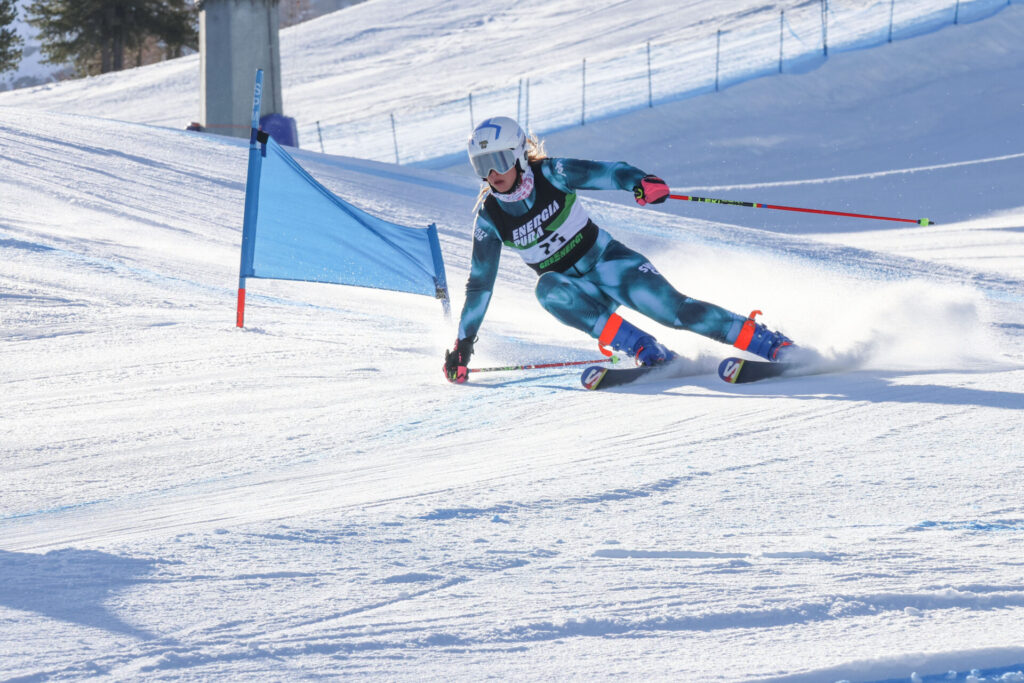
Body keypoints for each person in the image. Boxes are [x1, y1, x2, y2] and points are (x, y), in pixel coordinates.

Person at [443, 116, 793, 384]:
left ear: (519, 154)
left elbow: (610, 173)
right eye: (482, 165)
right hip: (578, 293)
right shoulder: (490, 217)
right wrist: (463, 346)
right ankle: (647, 350)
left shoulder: (552, 173)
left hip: (611, 265)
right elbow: (480, 286)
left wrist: (640, 182)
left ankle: (771, 344)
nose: (493, 173)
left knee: (676, 313)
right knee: (547, 290)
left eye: (500, 160)